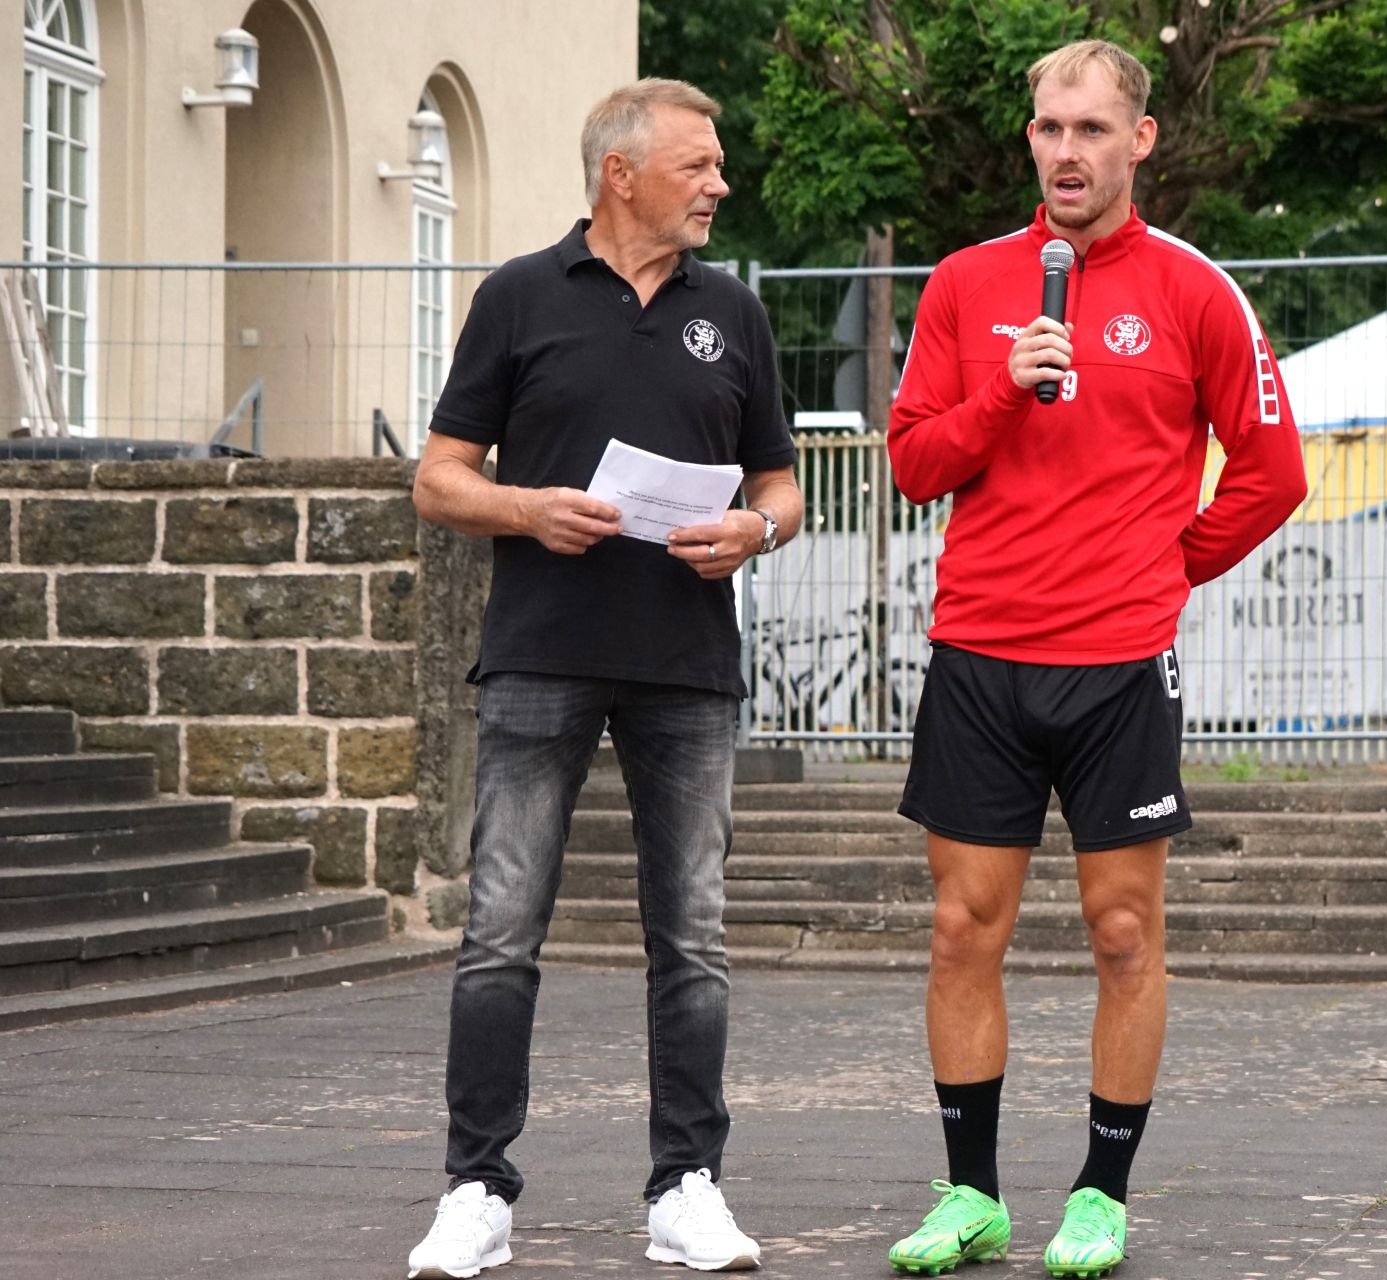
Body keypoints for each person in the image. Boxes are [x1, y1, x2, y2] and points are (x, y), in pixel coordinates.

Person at [883, 40, 1309, 1279]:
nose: (1066, 152)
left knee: (1123, 933)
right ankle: (971, 1195)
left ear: (1140, 140)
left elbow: (1274, 471)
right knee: (961, 929)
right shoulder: (966, 284)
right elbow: (913, 462)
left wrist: (1168, 568)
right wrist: (1001, 392)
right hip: (979, 654)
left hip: (1119, 663)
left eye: (1090, 129)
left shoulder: (1194, 290)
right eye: (1048, 128)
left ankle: (1101, 1195)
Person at [405, 78, 800, 1278]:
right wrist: (528, 508)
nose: (720, 183)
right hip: (540, 651)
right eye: (698, 165)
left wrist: (755, 530)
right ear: (620, 174)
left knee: (694, 936)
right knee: (500, 928)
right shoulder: (518, 296)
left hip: (688, 664)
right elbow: (438, 478)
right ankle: (476, 1189)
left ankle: (687, 1187)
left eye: (716, 164)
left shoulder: (733, 311)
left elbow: (779, 484)